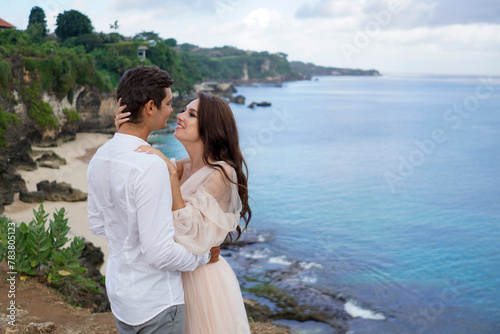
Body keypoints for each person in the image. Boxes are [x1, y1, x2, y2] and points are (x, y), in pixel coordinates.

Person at [87, 65, 220, 334]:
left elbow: (98, 226)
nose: (173, 111)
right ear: (150, 107)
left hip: (122, 296)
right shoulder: (150, 166)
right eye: (169, 103)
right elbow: (159, 253)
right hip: (156, 302)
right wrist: (203, 256)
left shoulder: (100, 156)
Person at [115, 91, 252, 333]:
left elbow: (189, 231)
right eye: (182, 110)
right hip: (175, 274)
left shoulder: (221, 173)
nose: (179, 116)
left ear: (211, 126)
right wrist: (124, 134)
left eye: (191, 114)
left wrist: (169, 174)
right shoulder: (182, 166)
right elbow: (131, 176)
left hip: (202, 280)